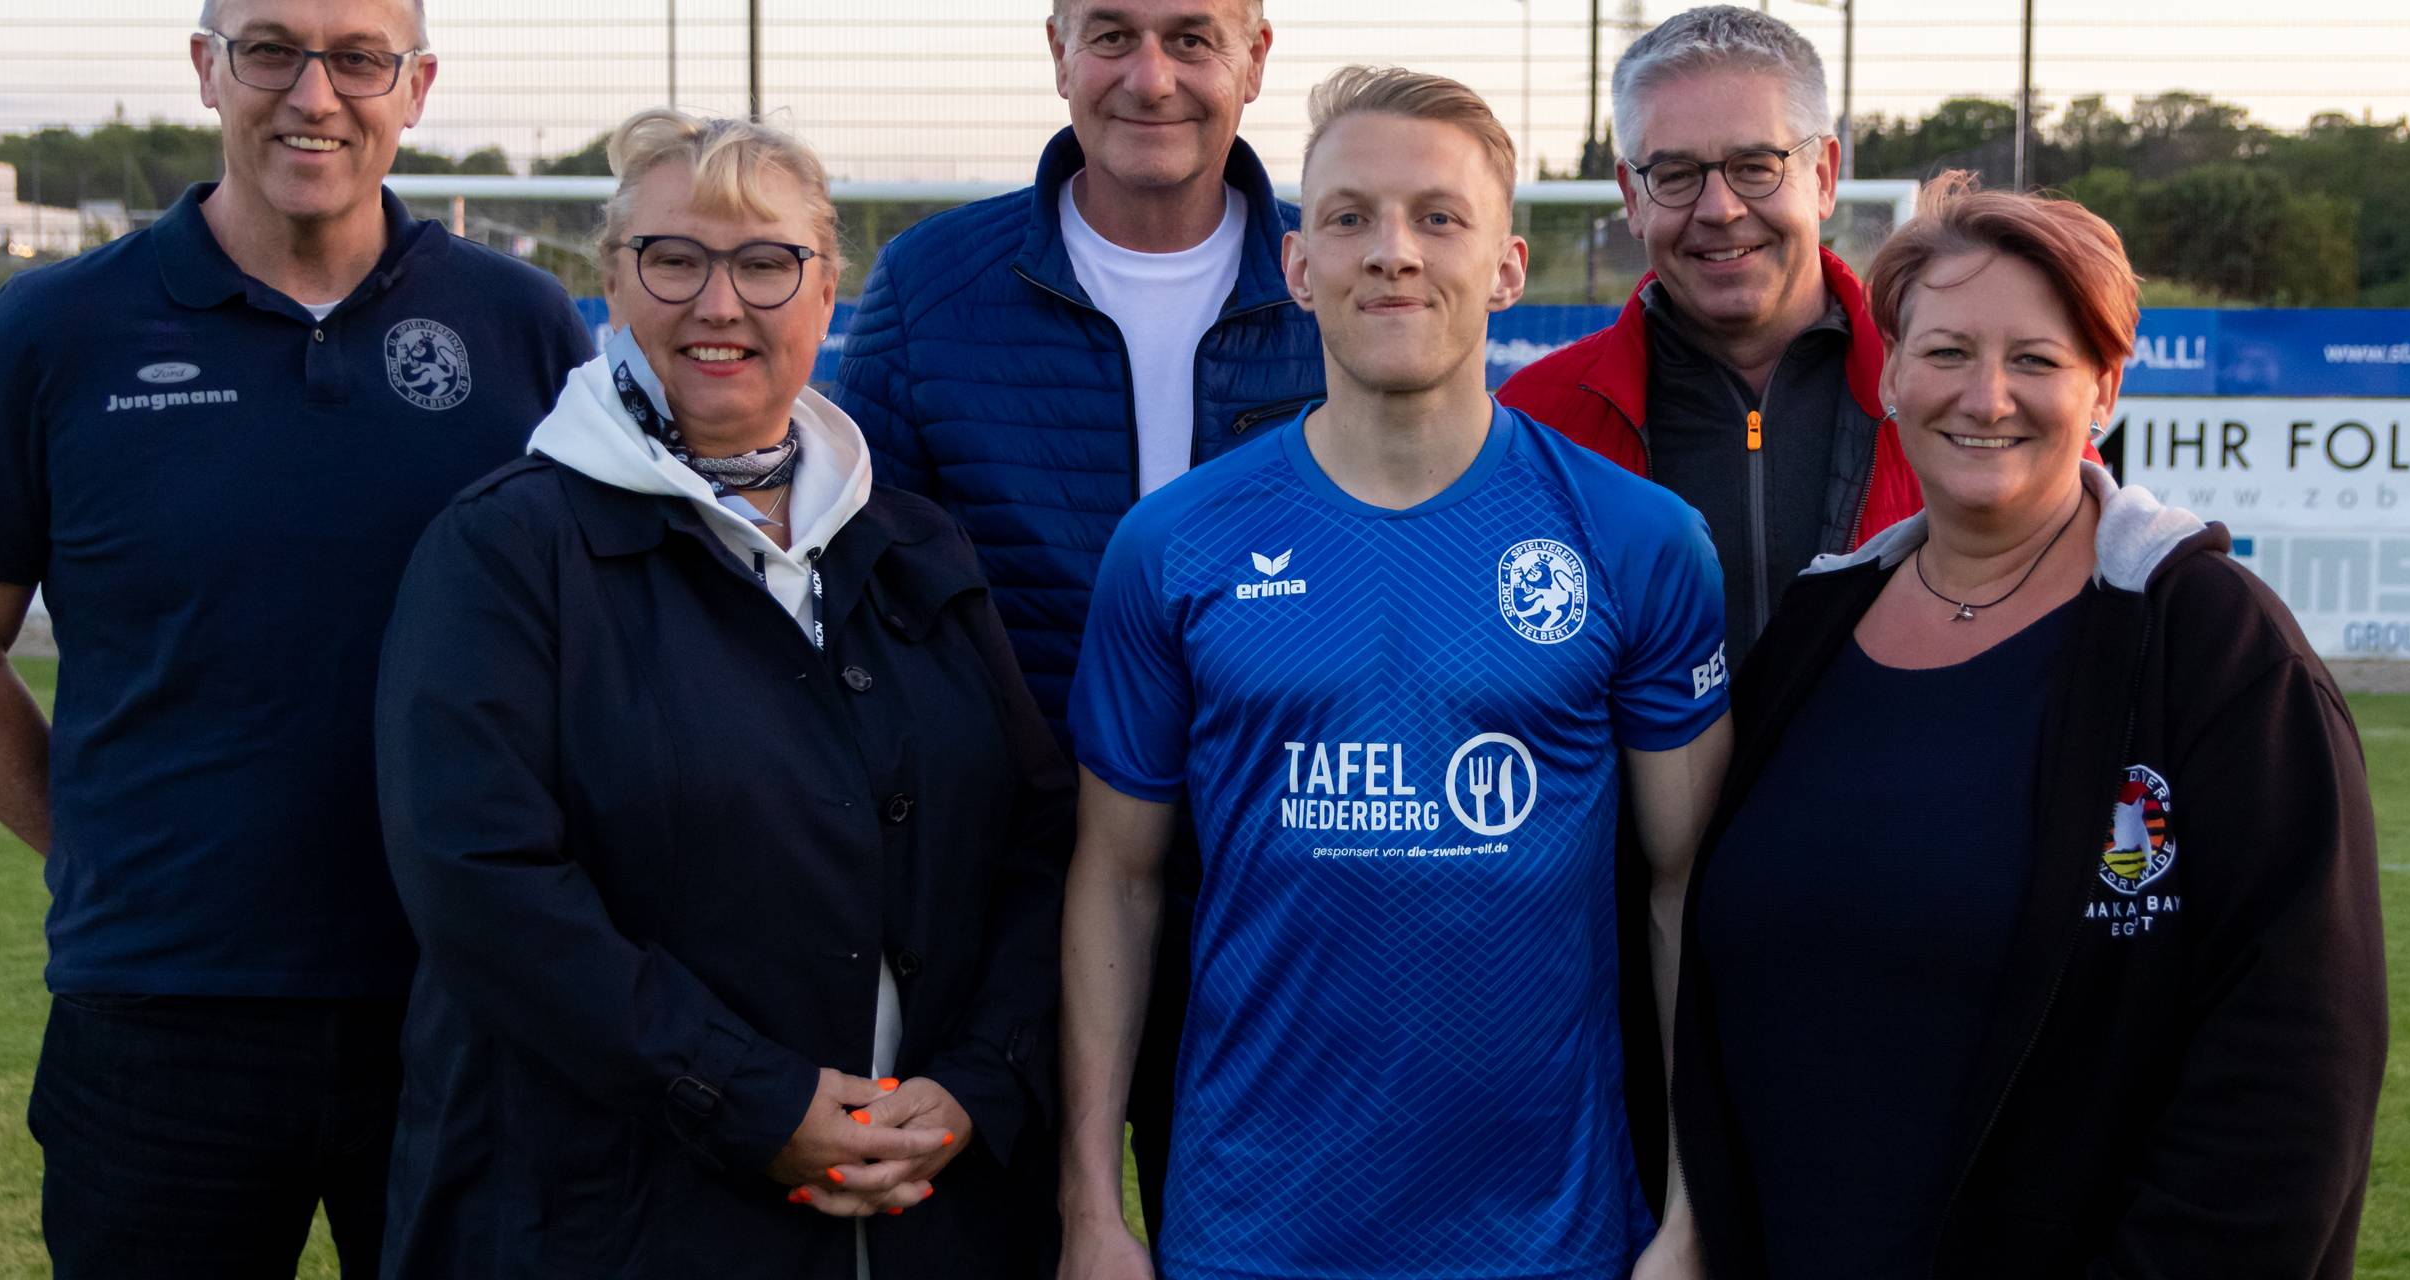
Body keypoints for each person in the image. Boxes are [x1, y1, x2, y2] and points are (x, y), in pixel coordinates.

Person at [0, 1, 592, 1273]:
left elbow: (601, 645)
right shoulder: (56, 327)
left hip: (464, 994)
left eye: (358, 58)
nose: (314, 95)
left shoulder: (521, 323)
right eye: (270, 49)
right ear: (206, 69)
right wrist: (106, 848)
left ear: (416, 87)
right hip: (159, 1016)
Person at [371, 108, 1072, 1280]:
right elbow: (481, 883)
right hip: (612, 1218)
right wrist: (752, 1098)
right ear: (611, 281)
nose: (718, 303)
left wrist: (976, 1082)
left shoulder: (913, 544)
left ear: (826, 291)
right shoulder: (507, 549)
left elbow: (1036, 841)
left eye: (764, 263)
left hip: (930, 1210)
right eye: (674, 259)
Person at [1059, 67, 1734, 1280]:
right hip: (1251, 1235)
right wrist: (1090, 1211)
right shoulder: (1173, 545)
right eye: (1349, 216)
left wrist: (1690, 1207)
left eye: (1437, 216)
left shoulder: (1636, 540)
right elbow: (1116, 877)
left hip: (1547, 1238)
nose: (1392, 252)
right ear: (1294, 265)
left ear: (1508, 267)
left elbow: (1685, 891)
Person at [1670, 173, 2386, 1278]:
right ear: (1892, 375)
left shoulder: (2213, 646)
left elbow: (2294, 1066)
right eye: (1947, 351)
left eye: (2037, 360)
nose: (1986, 395)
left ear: (2104, 389)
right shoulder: (1813, 631)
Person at [836, 0, 1325, 1229]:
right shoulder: (931, 286)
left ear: (1255, 58)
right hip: (1011, 893)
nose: (1148, 78)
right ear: (1055, 50)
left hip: (1280, 888)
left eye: (1191, 37)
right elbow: (862, 604)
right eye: (1110, 34)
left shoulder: (1338, 276)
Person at [1498, 5, 1922, 669]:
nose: (1720, 209)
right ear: (1632, 198)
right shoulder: (1532, 426)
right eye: (1675, 175)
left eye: (1756, 166)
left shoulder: (1949, 400)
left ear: (1823, 176)